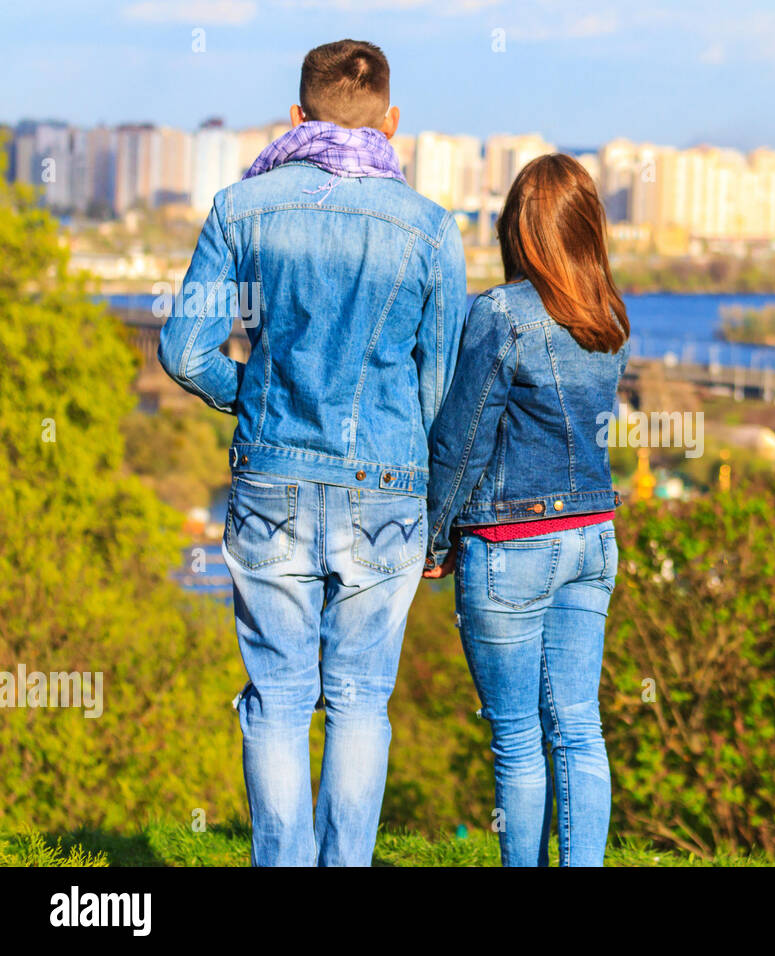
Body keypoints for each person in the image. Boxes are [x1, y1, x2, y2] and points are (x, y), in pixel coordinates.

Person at [158, 39, 467, 866]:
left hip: (272, 481)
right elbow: (440, 385)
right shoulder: (433, 229)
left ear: (296, 117)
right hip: (386, 490)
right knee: (362, 702)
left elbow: (186, 353)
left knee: (278, 701)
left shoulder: (238, 208)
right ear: (392, 123)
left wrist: (253, 399)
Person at [423, 153, 629, 867]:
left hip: (512, 544)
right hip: (593, 540)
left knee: (515, 738)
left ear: (520, 228)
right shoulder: (608, 318)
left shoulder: (501, 315)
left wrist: (435, 538)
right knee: (579, 729)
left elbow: (460, 439)